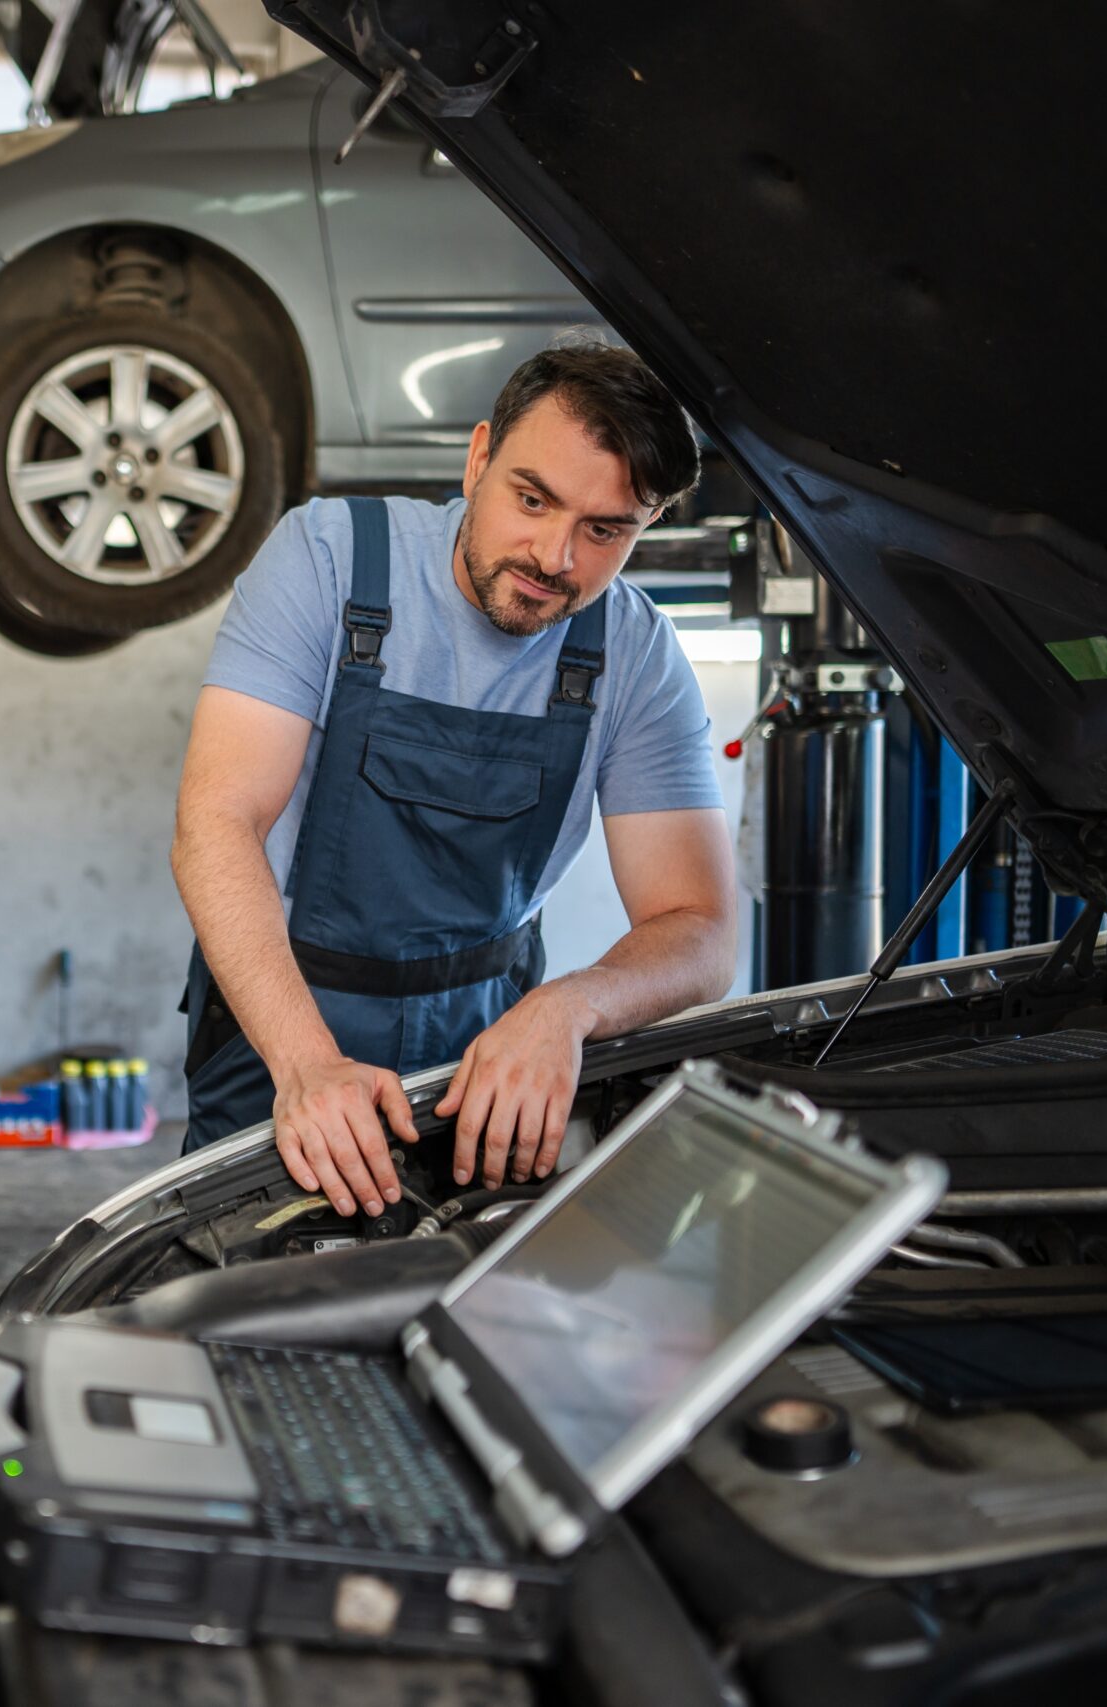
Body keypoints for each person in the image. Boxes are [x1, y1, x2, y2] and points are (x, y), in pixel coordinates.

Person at [172, 340, 737, 1214]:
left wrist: (568, 1009)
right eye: (532, 498)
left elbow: (700, 928)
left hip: (486, 1056)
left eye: (605, 530)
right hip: (281, 1022)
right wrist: (307, 1062)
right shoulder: (329, 559)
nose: (555, 557)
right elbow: (218, 820)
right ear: (478, 458)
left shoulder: (634, 650)